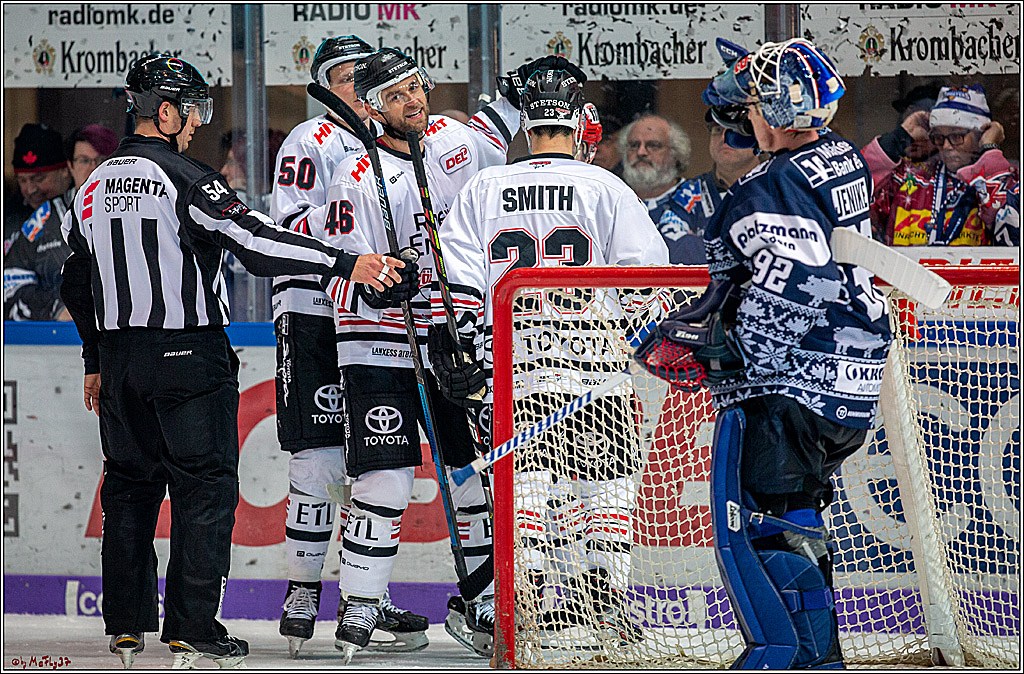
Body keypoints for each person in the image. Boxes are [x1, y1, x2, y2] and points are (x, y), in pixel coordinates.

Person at [59, 53, 409, 670]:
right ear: (165, 112)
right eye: (192, 109)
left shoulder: (90, 186)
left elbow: (75, 280)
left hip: (119, 363)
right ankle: (192, 628)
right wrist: (343, 262)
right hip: (188, 356)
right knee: (206, 490)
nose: (198, 122)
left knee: (129, 491)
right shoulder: (187, 177)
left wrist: (95, 357)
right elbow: (257, 242)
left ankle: (126, 626)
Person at [651, 37, 891, 668]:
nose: (746, 113)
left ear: (779, 111)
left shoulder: (767, 186)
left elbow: (799, 280)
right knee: (796, 516)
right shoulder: (839, 155)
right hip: (847, 382)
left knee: (760, 526)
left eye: (756, 103)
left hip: (793, 385)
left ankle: (782, 655)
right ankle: (820, 658)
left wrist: (726, 350)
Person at [319, 48, 555, 661]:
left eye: (416, 87)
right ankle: (361, 603)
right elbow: (341, 270)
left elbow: (503, 146)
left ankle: (485, 597)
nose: (412, 101)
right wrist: (379, 281)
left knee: (470, 471)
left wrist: (521, 92)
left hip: (451, 337)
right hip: (379, 341)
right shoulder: (354, 176)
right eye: (395, 96)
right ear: (372, 108)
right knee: (386, 477)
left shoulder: (454, 139)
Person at [426, 68, 669, 646]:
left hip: (515, 370)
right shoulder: (607, 188)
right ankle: (606, 607)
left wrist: (466, 351)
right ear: (579, 125)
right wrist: (619, 335)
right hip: (596, 368)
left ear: (526, 128)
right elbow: (651, 282)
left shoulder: (484, 187)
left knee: (527, 491)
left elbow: (455, 287)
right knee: (607, 489)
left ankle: (525, 609)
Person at [266, 35, 429, 659]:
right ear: (325, 86)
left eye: (365, 77)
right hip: (311, 308)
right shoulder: (312, 139)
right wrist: (354, 235)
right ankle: (303, 592)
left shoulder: (385, 144)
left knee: (372, 460)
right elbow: (288, 227)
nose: (356, 88)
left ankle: (364, 594)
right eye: (344, 78)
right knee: (317, 457)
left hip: (367, 314)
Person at [866, 84, 1019, 246]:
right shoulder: (910, 178)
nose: (946, 146)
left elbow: (1011, 228)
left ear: (980, 134)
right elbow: (857, 189)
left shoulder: (1006, 178)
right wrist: (899, 136)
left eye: (957, 136)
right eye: (939, 137)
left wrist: (989, 149)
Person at [3, 125, 115, 320]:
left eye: (101, 160)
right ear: (70, 166)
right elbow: (11, 284)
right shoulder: (44, 217)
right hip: (59, 335)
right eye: (84, 160)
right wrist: (55, 307)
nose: (93, 168)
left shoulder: (135, 211)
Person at [656, 110, 762, 265]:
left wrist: (700, 243)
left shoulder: (773, 187)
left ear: (758, 136)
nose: (724, 138)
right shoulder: (691, 191)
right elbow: (670, 245)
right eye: (717, 129)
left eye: (733, 129)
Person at [5, 124, 72, 240]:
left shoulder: (83, 208)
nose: (31, 190)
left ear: (65, 170)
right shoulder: (9, 217)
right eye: (22, 180)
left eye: (39, 179)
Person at [617, 114, 691, 215]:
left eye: (653, 145)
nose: (641, 152)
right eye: (634, 145)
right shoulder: (615, 199)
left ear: (676, 153)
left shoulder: (695, 200)